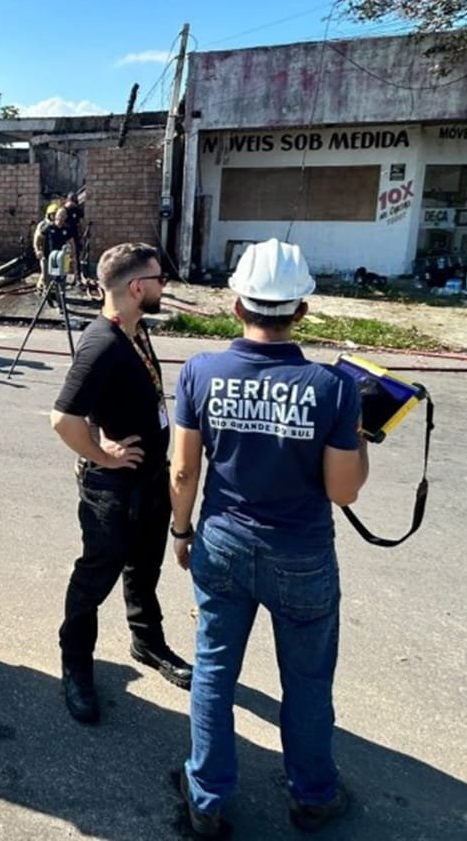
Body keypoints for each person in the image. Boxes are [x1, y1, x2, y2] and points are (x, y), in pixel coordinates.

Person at [169, 239, 368, 837]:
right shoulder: (335, 388)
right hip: (301, 555)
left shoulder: (200, 371)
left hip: (222, 543)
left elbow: (183, 471)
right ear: (302, 310)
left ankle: (206, 798)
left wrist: (181, 530)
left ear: (237, 305)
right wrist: (358, 435)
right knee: (306, 681)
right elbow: (343, 491)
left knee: (213, 670)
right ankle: (313, 795)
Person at [50, 242, 193, 726]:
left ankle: (146, 642)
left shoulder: (134, 329)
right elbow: (62, 419)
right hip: (111, 490)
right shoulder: (102, 344)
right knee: (96, 576)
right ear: (136, 288)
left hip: (148, 480)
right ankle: (75, 663)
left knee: (145, 567)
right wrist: (101, 455)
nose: (163, 286)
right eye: (159, 279)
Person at [34, 206, 75, 294]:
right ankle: (47, 295)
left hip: (62, 258)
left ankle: (61, 297)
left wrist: (72, 256)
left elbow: (72, 243)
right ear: (56, 216)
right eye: (60, 215)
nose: (61, 217)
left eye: (63, 215)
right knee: (47, 279)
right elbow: (38, 238)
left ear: (66, 217)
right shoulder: (48, 227)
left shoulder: (67, 229)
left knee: (62, 279)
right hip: (48, 257)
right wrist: (38, 250)